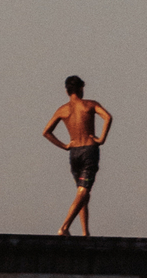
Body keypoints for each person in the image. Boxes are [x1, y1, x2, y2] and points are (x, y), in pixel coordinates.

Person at [42, 77, 114, 237]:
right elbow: (108, 117)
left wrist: (65, 145)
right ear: (81, 88)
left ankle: (84, 232)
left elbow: (46, 132)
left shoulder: (63, 110)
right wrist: (101, 139)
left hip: (74, 153)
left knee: (81, 192)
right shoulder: (89, 104)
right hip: (89, 151)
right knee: (83, 192)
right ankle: (64, 226)